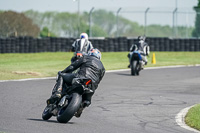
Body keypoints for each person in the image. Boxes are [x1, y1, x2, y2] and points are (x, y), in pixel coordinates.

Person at [47, 48, 105, 117]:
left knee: (62, 76)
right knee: (87, 101)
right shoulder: (103, 68)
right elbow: (98, 81)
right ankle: (81, 107)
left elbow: (72, 66)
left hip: (80, 78)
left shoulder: (86, 58)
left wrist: (63, 72)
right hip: (91, 87)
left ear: (90, 53)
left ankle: (58, 93)